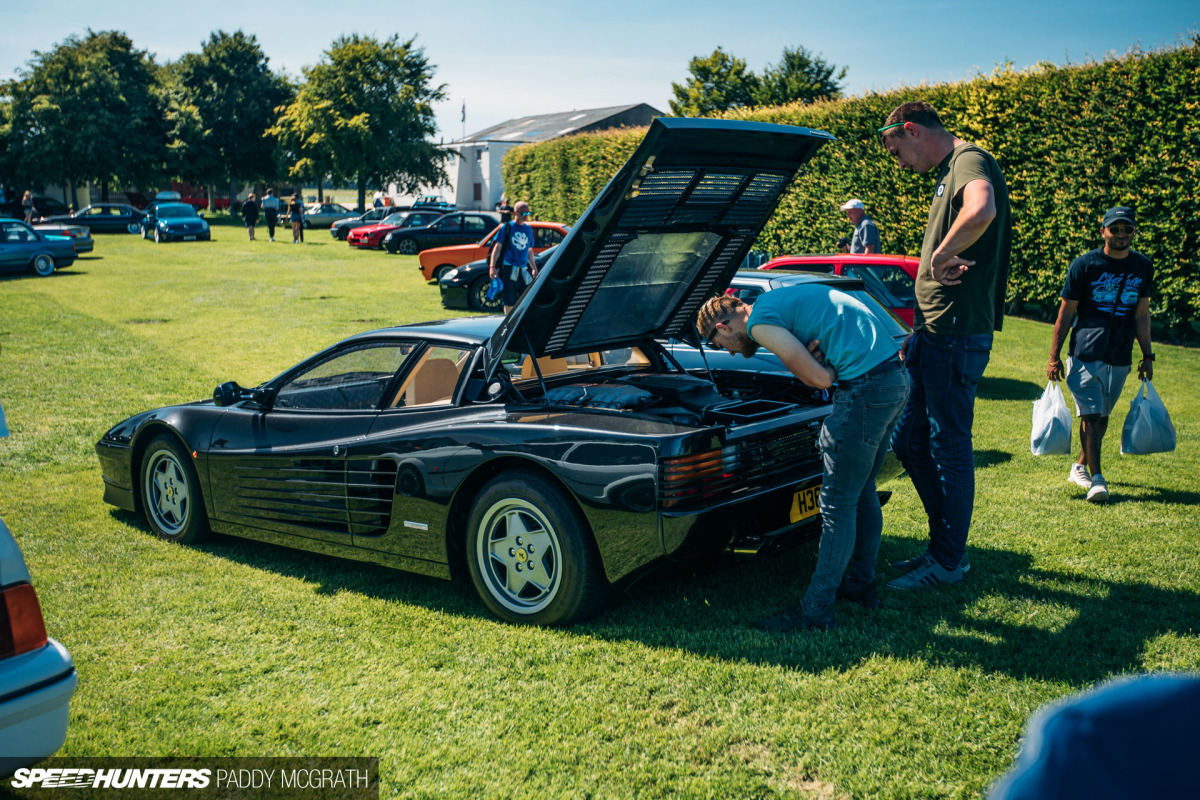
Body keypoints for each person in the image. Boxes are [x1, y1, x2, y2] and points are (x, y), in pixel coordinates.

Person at [698, 287, 909, 632]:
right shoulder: (773, 305)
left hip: (866, 388)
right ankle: (859, 583)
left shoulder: (760, 323)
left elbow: (821, 379)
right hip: (894, 378)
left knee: (837, 504)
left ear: (722, 328)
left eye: (723, 348)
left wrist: (817, 365)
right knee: (862, 490)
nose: (732, 355)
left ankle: (816, 610)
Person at [878, 100, 1012, 590]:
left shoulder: (969, 161)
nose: (900, 163)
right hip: (933, 333)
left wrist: (941, 253)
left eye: (896, 151)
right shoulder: (950, 170)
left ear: (911, 130)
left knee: (948, 444)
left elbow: (982, 207)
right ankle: (943, 550)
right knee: (910, 441)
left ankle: (950, 561)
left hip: (955, 334)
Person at [1047, 206, 1154, 504]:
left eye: (1127, 229)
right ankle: (1098, 480)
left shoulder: (1143, 267)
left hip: (1120, 353)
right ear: (1103, 231)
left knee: (1102, 417)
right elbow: (1065, 314)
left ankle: (1080, 466)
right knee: (1091, 415)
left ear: (1133, 232)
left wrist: (1148, 355)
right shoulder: (1084, 265)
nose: (1121, 234)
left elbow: (1142, 314)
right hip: (1085, 350)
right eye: (1115, 228)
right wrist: (1054, 356)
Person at [489, 200, 537, 313]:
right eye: (523, 214)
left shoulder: (528, 229)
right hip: (508, 268)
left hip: (524, 269)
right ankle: (508, 325)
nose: (526, 216)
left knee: (525, 299)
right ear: (516, 213)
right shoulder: (506, 228)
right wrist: (492, 267)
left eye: (528, 213)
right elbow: (497, 248)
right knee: (508, 300)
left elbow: (529, 250)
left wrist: (534, 268)